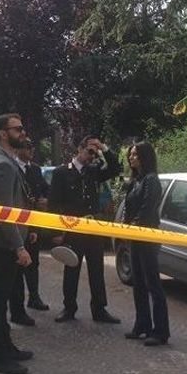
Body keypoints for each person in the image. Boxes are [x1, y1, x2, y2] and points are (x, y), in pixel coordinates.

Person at [49, 135, 122, 323]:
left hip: (92, 227)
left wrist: (104, 149)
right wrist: (56, 232)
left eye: (94, 153)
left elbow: (116, 168)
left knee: (96, 270)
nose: (92, 156)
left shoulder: (93, 171)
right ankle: (69, 308)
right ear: (80, 149)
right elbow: (54, 204)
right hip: (73, 227)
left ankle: (99, 309)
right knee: (71, 268)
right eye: (89, 151)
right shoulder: (61, 172)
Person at [0, 113, 34, 374]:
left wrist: (27, 233)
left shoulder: (6, 160)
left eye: (22, 128)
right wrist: (18, 246)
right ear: (3, 133)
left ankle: (6, 347)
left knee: (1, 300)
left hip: (7, 242)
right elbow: (3, 213)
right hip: (3, 245)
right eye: (17, 129)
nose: (23, 132)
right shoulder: (1, 164)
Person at [124, 142, 170, 346]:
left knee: (153, 284)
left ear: (145, 157)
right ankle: (142, 325)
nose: (131, 157)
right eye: (130, 154)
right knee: (138, 283)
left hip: (147, 238)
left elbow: (147, 208)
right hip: (135, 237)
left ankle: (160, 331)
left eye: (135, 154)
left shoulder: (151, 180)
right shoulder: (136, 180)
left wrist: (134, 226)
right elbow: (129, 208)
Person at [8, 138, 50, 327]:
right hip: (15, 225)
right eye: (27, 147)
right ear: (18, 150)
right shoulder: (11, 168)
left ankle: (34, 297)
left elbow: (45, 191)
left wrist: (45, 200)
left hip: (32, 223)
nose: (32, 150)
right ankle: (16, 308)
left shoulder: (35, 170)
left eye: (33, 147)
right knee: (16, 268)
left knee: (33, 263)